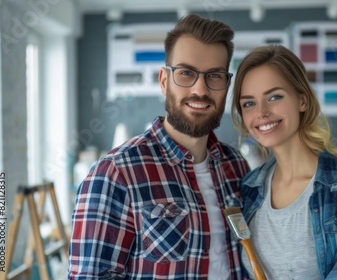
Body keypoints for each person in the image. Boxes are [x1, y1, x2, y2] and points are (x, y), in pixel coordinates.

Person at [69, 14, 250, 280]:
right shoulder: (115, 174)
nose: (200, 89)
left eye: (214, 75)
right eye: (186, 73)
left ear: (226, 85)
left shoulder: (235, 165)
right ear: (164, 81)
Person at [231, 45, 337, 279]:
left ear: (302, 100)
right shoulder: (249, 188)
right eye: (249, 103)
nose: (262, 112)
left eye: (274, 97)